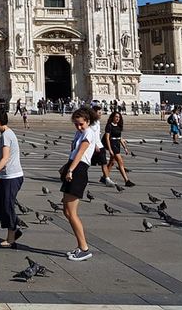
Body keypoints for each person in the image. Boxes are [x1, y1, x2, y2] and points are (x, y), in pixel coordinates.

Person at [60, 107, 98, 261]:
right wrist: (66, 166)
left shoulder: (88, 133)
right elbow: (74, 153)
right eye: (76, 124)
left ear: (88, 121)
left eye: (81, 124)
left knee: (72, 212)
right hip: (73, 167)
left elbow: (81, 153)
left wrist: (70, 170)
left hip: (79, 170)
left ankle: (84, 248)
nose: (79, 127)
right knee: (67, 211)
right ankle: (80, 246)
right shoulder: (79, 133)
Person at [0, 106, 24, 248]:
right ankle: (14, 225)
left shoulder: (7, 135)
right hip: (6, 176)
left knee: (7, 206)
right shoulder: (5, 135)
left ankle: (11, 238)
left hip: (12, 176)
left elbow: (6, 158)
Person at [101, 110, 134, 187]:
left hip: (117, 145)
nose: (117, 118)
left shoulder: (119, 126)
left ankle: (104, 177)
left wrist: (125, 148)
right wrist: (110, 149)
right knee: (120, 162)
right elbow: (107, 138)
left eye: (119, 117)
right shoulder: (109, 126)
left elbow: (120, 138)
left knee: (111, 163)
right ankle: (127, 180)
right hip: (112, 145)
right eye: (116, 116)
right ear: (112, 117)